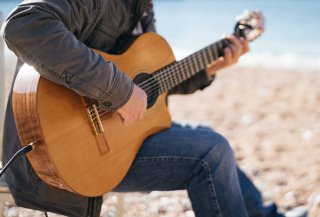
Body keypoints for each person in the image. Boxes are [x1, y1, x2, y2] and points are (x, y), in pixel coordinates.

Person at [1, 0, 283, 216]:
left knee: (205, 136)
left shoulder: (142, 7)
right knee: (211, 150)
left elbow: (154, 82)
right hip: (60, 157)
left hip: (119, 137)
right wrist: (120, 93)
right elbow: (25, 26)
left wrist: (212, 66)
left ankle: (261, 213)